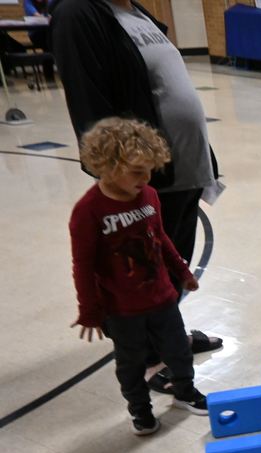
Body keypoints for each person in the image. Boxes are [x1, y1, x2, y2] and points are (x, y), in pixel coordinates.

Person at [50, 0, 223, 391]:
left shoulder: (136, 11)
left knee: (172, 261)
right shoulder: (79, 13)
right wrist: (122, 179)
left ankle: (169, 337)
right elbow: (90, 103)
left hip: (182, 167)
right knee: (144, 270)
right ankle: (149, 358)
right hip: (145, 177)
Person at [69, 118, 208, 435]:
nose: (146, 178)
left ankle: (185, 392)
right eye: (137, 171)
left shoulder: (148, 195)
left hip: (161, 298)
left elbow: (161, 238)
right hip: (122, 310)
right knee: (131, 365)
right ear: (105, 165)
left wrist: (182, 273)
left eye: (149, 170)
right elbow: (82, 265)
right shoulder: (88, 211)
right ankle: (141, 412)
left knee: (178, 350)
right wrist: (90, 311)